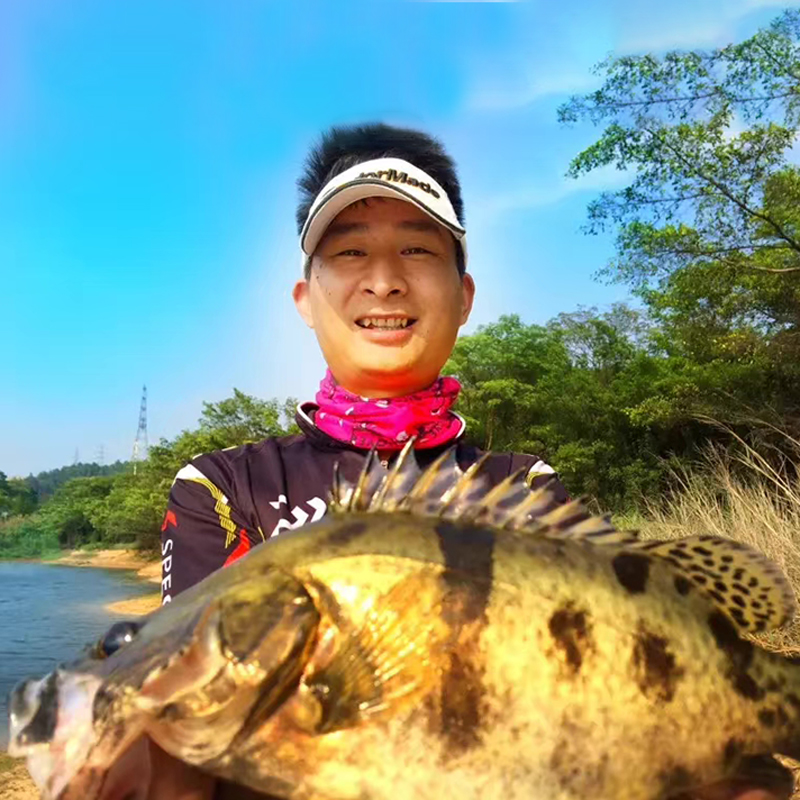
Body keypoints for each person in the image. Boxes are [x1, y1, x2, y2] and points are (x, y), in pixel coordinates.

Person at [101, 124, 791, 800]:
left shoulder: (524, 486)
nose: (384, 281)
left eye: (416, 249)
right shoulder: (222, 488)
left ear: (463, 296)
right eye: (348, 253)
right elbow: (194, 694)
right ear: (305, 300)